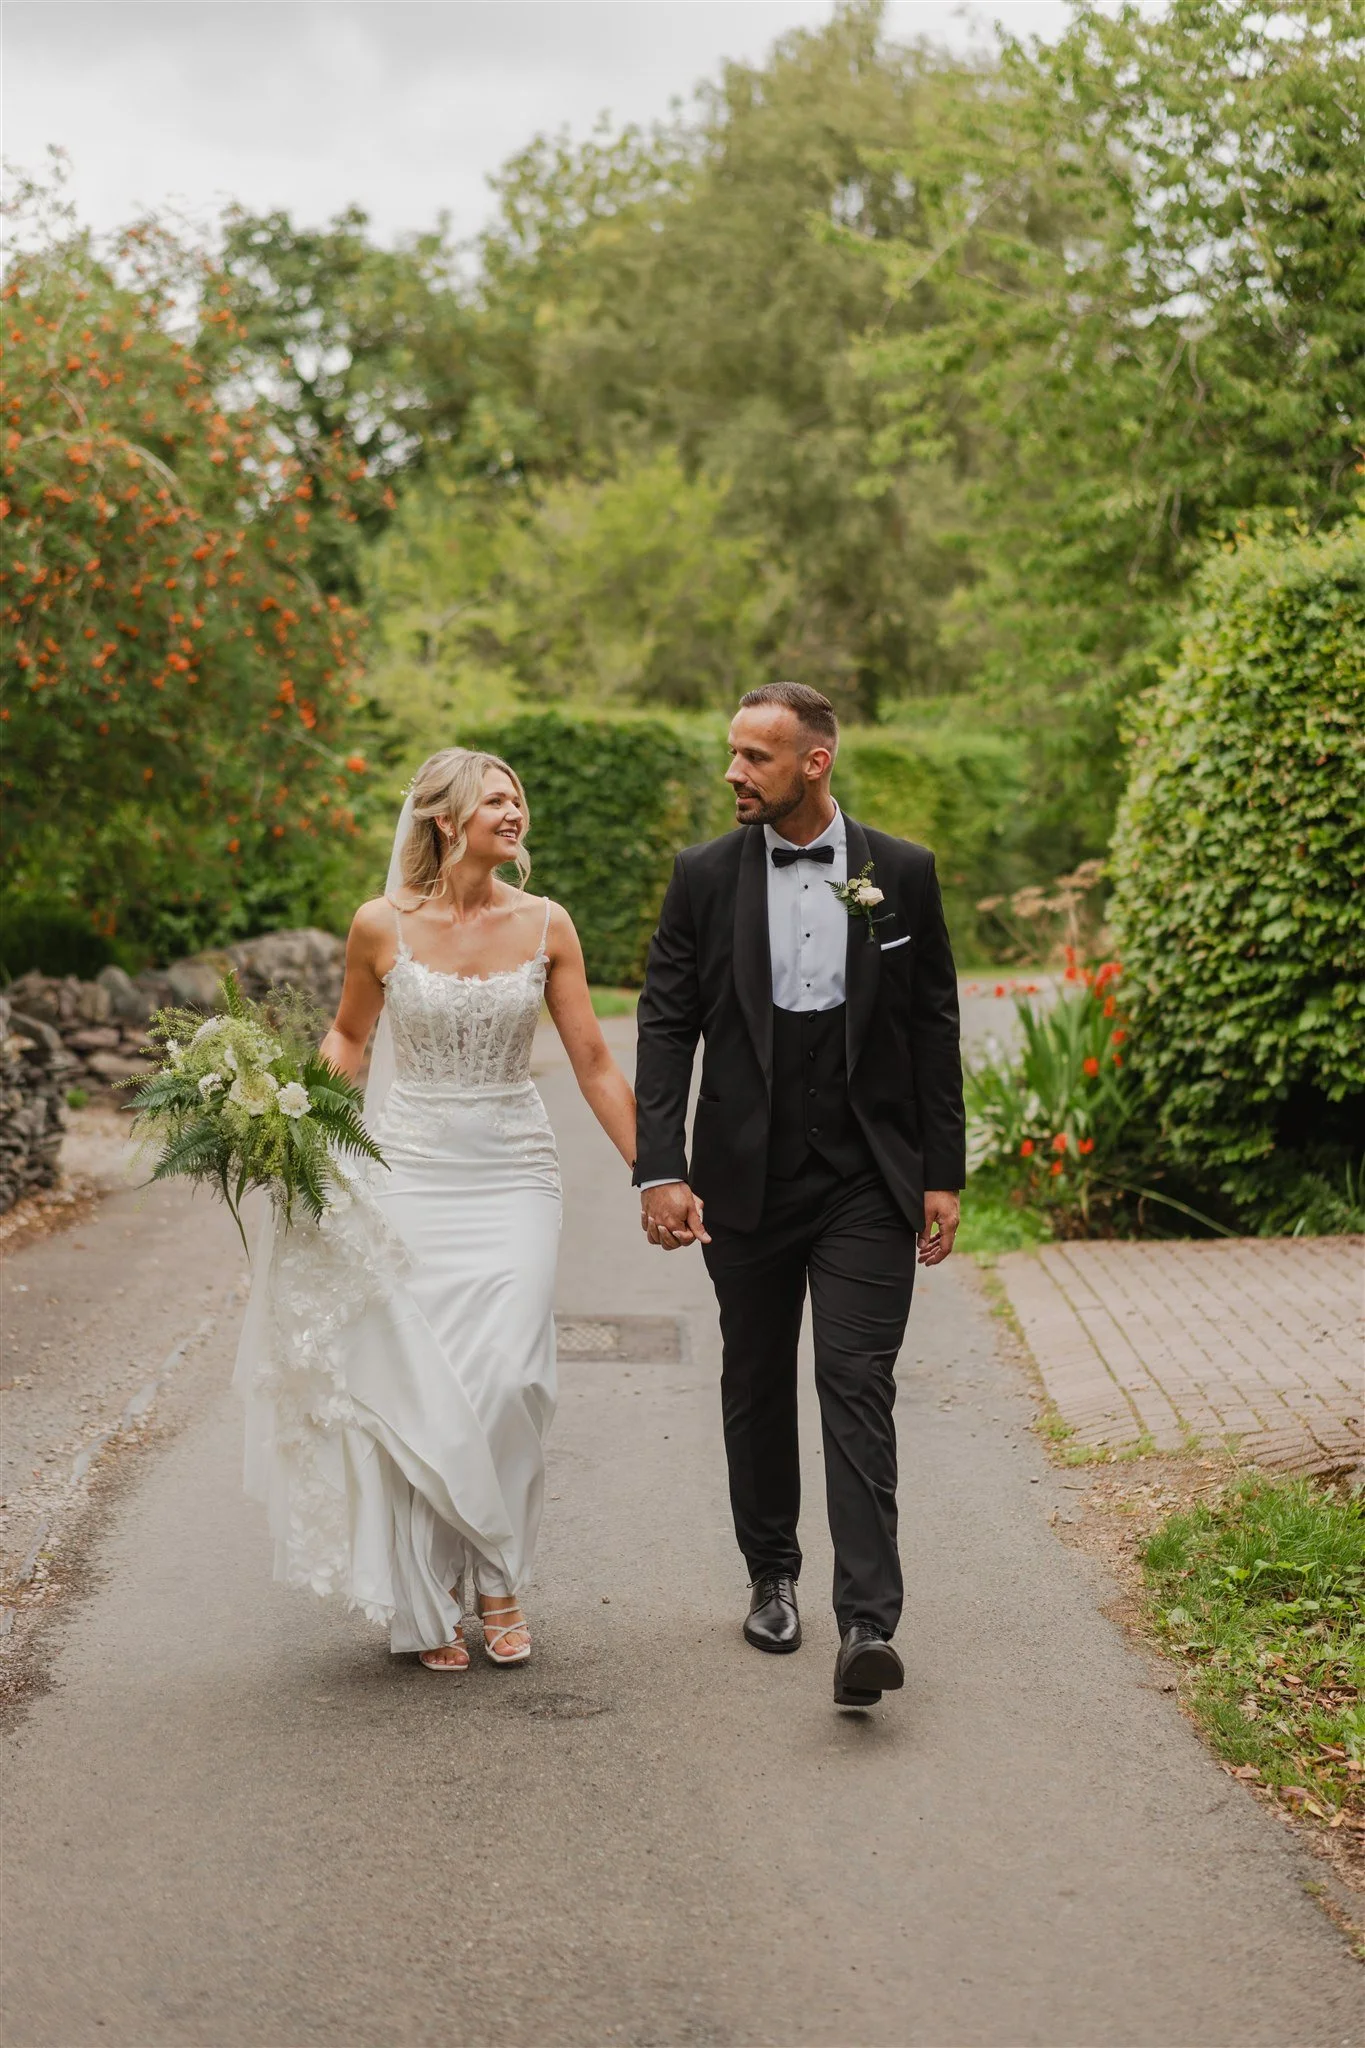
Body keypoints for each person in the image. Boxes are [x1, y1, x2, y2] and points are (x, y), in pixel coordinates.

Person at [234, 748, 636, 1671]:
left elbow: (594, 1063)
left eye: (518, 798)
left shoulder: (547, 925)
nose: (515, 811)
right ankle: (427, 1593)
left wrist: (655, 1170)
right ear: (447, 818)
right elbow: (347, 1036)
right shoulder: (381, 925)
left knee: (510, 1377)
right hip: (410, 1171)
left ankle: (495, 1573)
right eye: (496, 799)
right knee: (425, 1385)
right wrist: (291, 1134)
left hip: (514, 1172)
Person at [633, 683, 965, 1709]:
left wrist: (942, 1170)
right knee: (757, 1374)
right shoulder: (701, 875)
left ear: (814, 762)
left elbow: (933, 1023)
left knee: (856, 1379)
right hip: (746, 1173)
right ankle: (772, 1571)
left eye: (756, 757)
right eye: (732, 752)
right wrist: (660, 1163)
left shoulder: (900, 872)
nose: (734, 772)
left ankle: (867, 1619)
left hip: (868, 1175)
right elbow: (665, 1020)